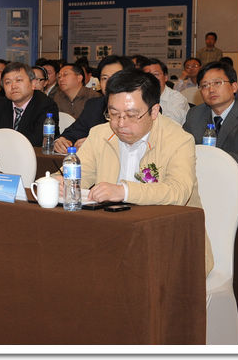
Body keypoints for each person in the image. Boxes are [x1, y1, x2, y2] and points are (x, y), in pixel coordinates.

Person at [70, 68, 212, 274]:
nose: (120, 124)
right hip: (112, 235)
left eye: (131, 115)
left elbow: (178, 191)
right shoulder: (100, 134)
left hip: (170, 242)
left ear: (154, 111)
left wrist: (124, 191)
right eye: (113, 114)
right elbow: (78, 176)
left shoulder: (178, 139)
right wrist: (60, 183)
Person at [53, 55, 133, 153]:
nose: (109, 83)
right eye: (104, 78)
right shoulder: (94, 105)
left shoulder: (141, 107)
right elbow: (73, 133)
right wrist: (61, 141)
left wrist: (95, 143)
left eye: (115, 77)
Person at [0, 62, 59, 147]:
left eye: (18, 80)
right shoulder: (0, 104)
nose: (13, 86)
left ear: (33, 84)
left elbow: (38, 140)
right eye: (8, 82)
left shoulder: (46, 105)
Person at [183, 61, 238, 163]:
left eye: (217, 83)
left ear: (234, 87)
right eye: (205, 85)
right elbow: (183, 149)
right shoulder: (195, 115)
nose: (211, 89)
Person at [140, 57, 189, 125]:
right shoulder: (139, 97)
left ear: (165, 77)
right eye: (147, 75)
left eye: (156, 74)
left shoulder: (177, 98)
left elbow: (171, 124)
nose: (151, 78)